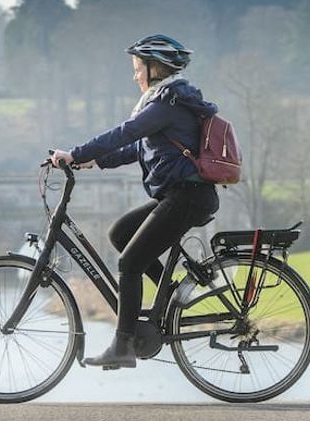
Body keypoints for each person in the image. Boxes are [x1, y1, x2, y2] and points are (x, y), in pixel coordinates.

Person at [50, 34, 220, 369]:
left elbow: (126, 133)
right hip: (180, 195)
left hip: (187, 196)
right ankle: (170, 294)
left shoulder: (165, 104)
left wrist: (76, 153)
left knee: (129, 264)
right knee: (120, 233)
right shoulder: (167, 103)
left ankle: (123, 345)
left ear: (155, 68)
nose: (135, 75)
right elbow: (139, 148)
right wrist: (95, 162)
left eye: (137, 68)